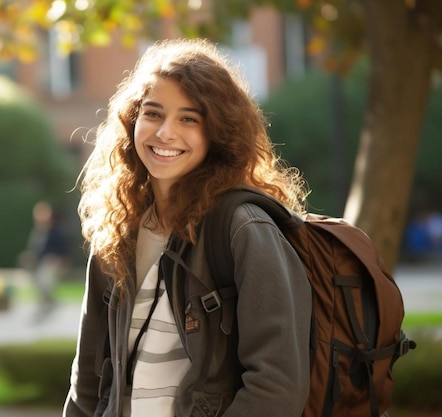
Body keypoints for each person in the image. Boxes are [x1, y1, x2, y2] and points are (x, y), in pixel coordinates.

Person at [63, 39, 312, 417]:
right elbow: (86, 383)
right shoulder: (117, 231)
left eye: (189, 119)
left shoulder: (244, 229)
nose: (165, 133)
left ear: (217, 132)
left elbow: (277, 386)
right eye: (153, 113)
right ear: (132, 121)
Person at [20, 201, 69, 318]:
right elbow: (35, 249)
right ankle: (44, 304)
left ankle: (50, 303)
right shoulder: (38, 231)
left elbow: (63, 249)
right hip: (38, 262)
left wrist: (61, 261)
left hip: (51, 262)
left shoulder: (56, 231)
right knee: (37, 281)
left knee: (45, 280)